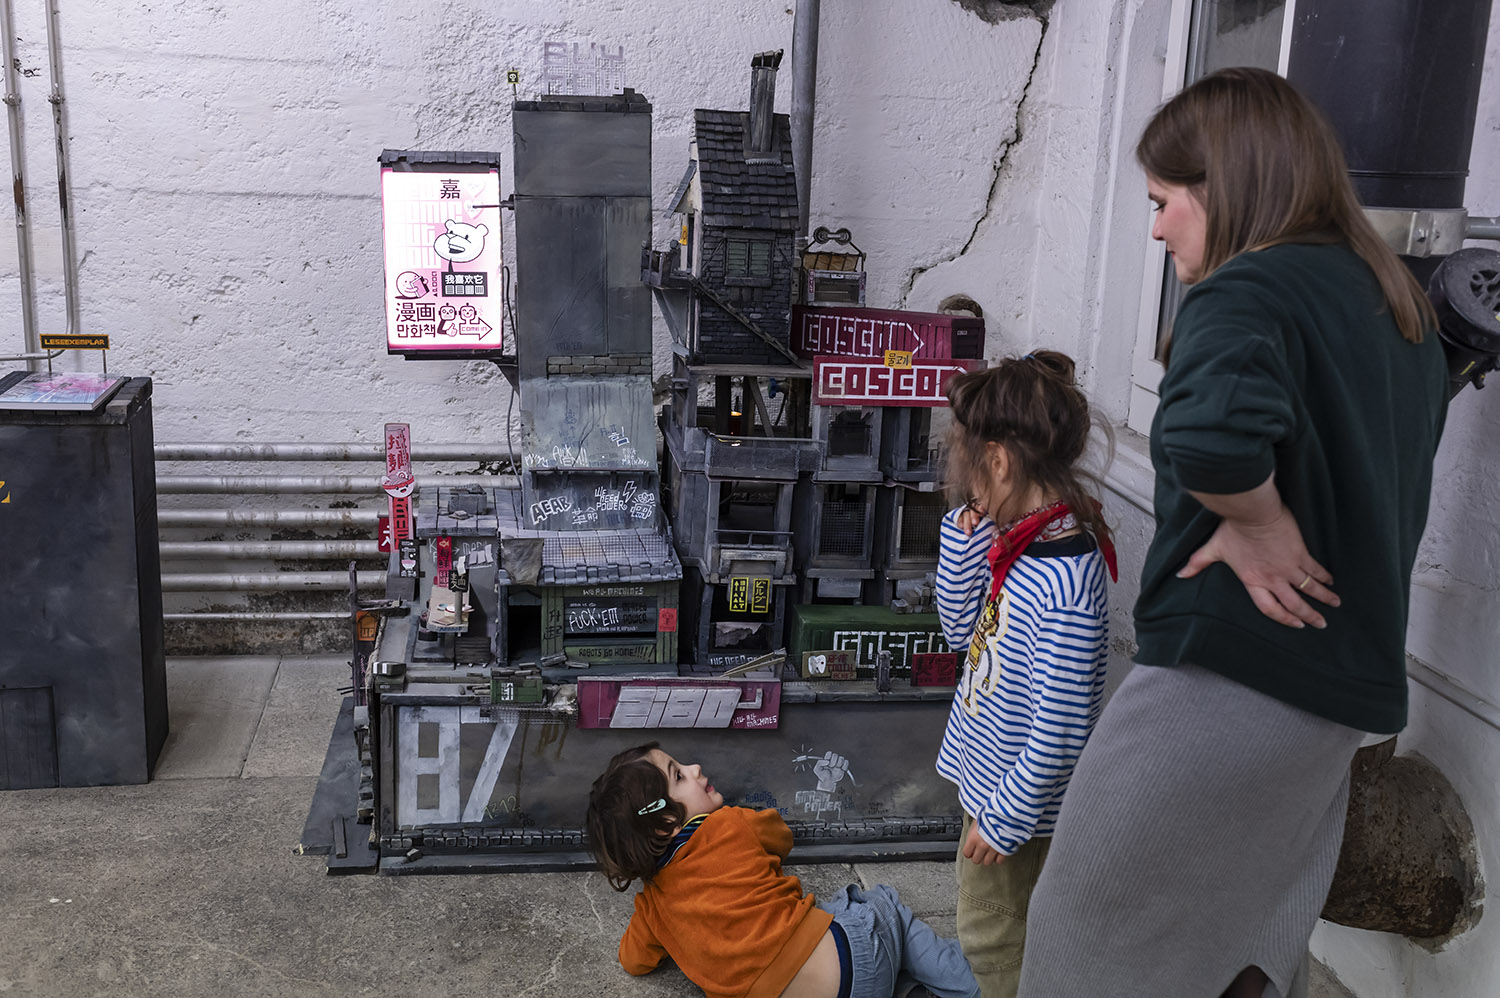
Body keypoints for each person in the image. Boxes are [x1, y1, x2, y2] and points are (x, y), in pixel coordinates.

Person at [1017, 67, 1448, 998]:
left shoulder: (1246, 289)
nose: (1158, 228)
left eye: (1163, 201)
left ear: (1228, 182)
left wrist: (1257, 522)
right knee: (1245, 957)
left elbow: (1207, 436)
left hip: (1230, 674)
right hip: (1339, 692)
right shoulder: (1396, 307)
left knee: (1082, 942)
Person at [932, 351, 1116, 998]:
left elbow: (1061, 729)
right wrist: (965, 537)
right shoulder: (1021, 541)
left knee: (995, 942)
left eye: (969, 472)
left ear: (999, 461)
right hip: (990, 787)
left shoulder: (1063, 582)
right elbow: (960, 631)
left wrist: (1006, 818)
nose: (966, 487)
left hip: (1021, 813)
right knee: (991, 929)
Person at [585, 743, 981, 998]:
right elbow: (780, 838)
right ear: (664, 823)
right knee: (879, 906)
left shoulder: (652, 908)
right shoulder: (728, 825)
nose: (695, 767)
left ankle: (906, 987)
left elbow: (632, 960)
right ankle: (977, 986)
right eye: (678, 775)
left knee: (826, 919)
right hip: (860, 959)